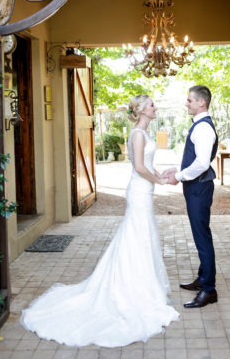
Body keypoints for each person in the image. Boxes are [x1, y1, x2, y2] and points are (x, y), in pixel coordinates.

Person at [21, 94, 179, 347]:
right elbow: (138, 167)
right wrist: (159, 180)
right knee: (136, 236)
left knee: (141, 236)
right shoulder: (138, 134)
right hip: (139, 191)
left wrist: (162, 174)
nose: (155, 107)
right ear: (141, 111)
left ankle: (141, 285)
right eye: (151, 105)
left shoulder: (144, 133)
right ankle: (130, 290)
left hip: (145, 191)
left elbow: (148, 163)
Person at [164, 85, 218, 308]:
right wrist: (176, 170)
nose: (186, 103)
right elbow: (194, 159)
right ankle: (202, 278)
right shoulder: (199, 126)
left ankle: (209, 290)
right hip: (195, 187)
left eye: (189, 100)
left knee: (202, 238)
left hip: (199, 188)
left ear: (201, 102)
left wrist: (179, 176)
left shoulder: (203, 129)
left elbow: (202, 164)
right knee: (200, 235)